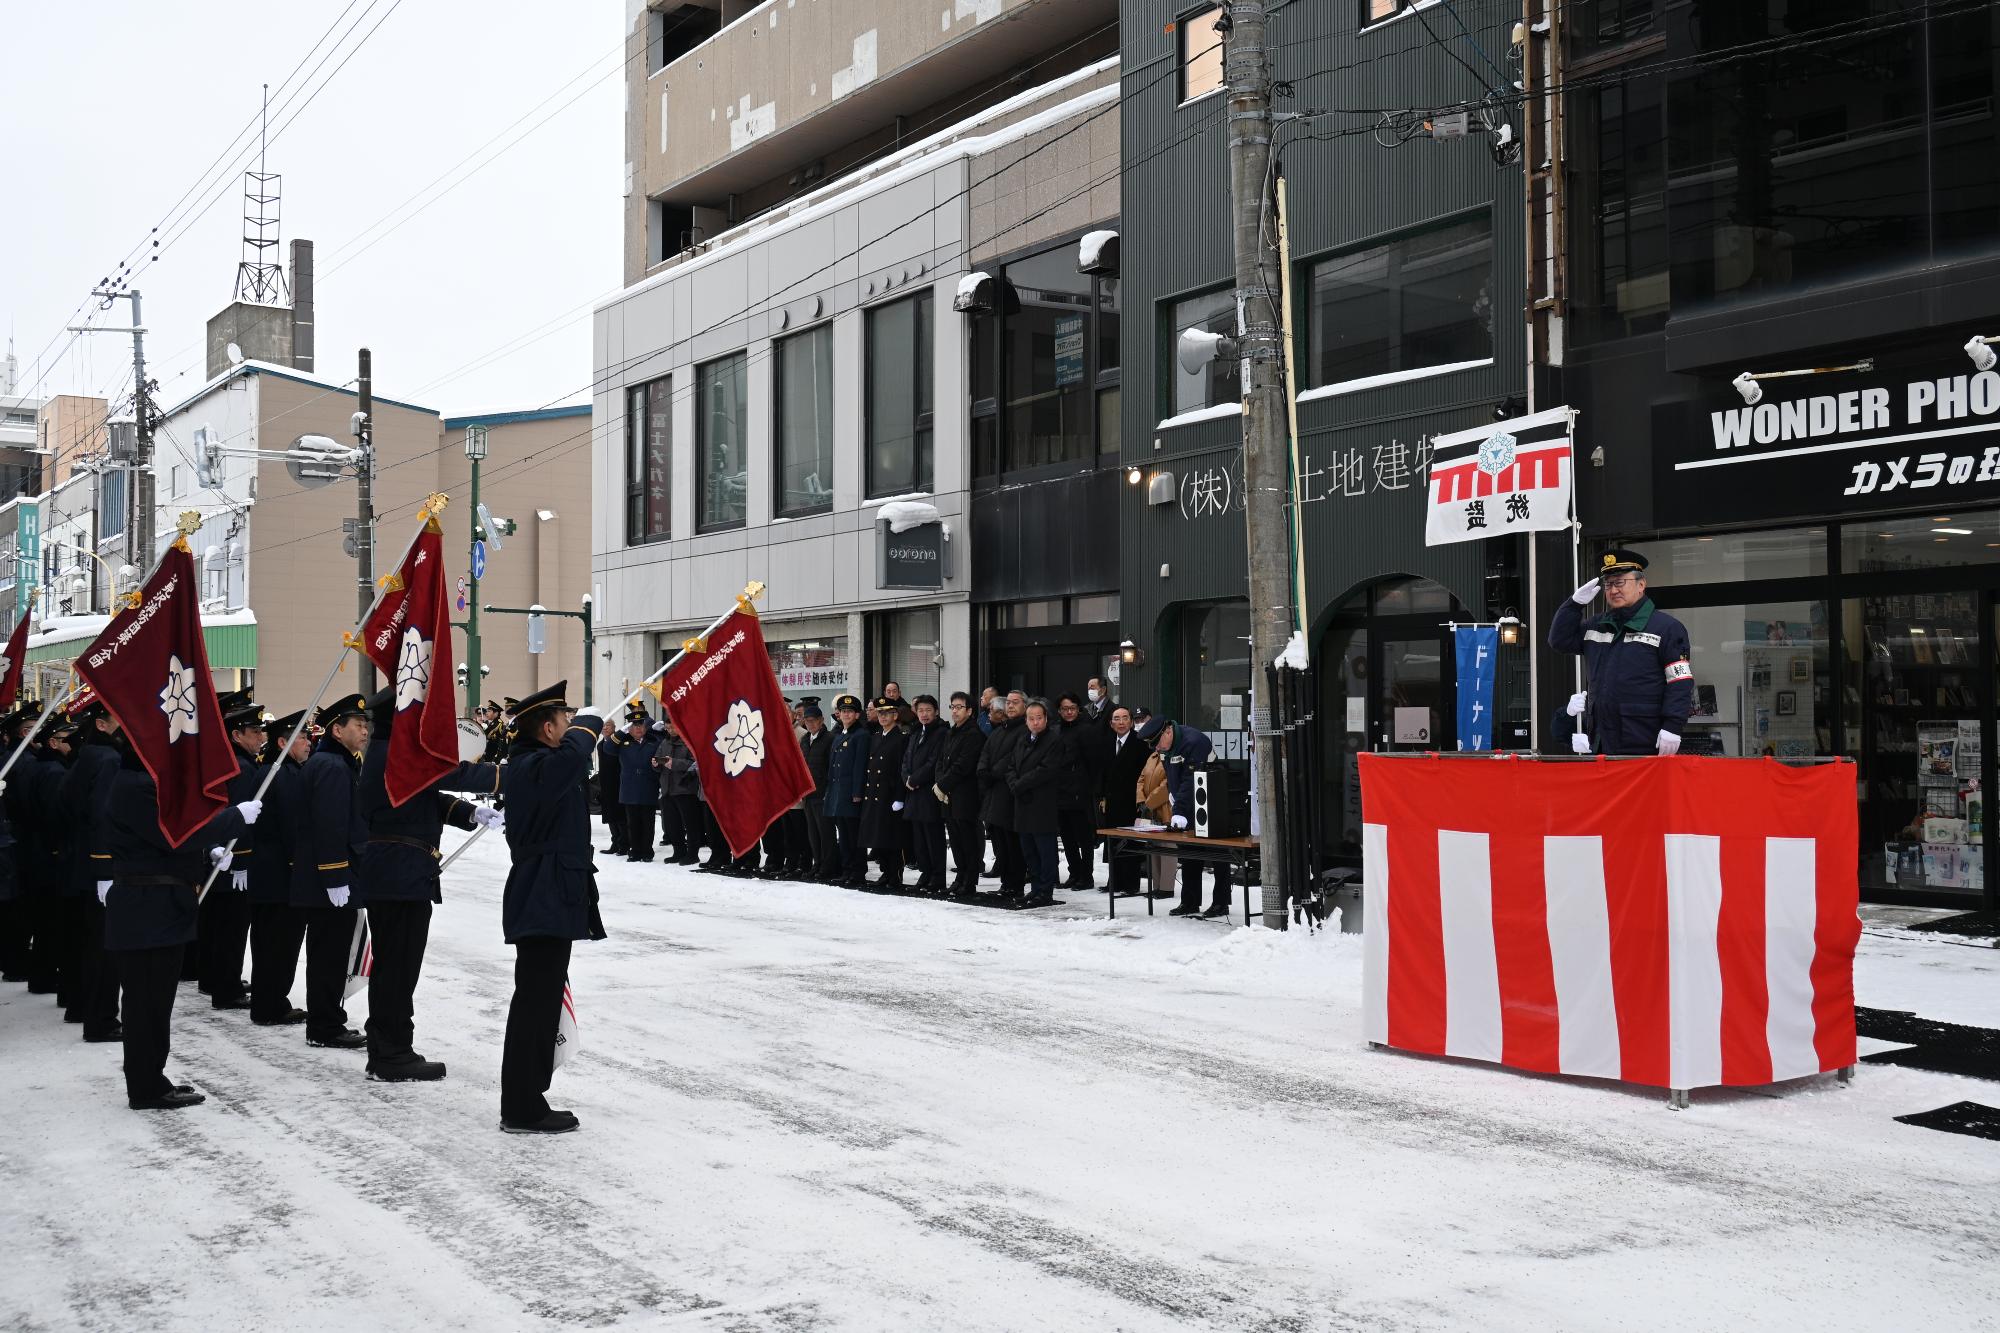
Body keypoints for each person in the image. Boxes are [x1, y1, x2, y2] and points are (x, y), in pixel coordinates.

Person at [103, 739, 261, 1110]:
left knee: (155, 1003)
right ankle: (146, 1087)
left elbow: (168, 841)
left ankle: (151, 1079)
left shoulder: (139, 783)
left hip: (158, 908)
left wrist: (208, 852)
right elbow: (175, 832)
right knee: (146, 1005)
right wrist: (234, 817)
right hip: (147, 909)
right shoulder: (135, 786)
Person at [356, 686, 502, 1081]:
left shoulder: (392, 753)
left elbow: (426, 798)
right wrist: (512, 775)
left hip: (401, 872)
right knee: (397, 967)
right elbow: (446, 773)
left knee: (398, 966)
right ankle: (390, 1054)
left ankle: (391, 1047)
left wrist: (470, 813)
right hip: (398, 874)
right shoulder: (395, 753)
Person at [498, 681, 605, 1134]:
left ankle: (529, 1096)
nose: (571, 726)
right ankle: (521, 1105)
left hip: (551, 892)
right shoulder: (533, 765)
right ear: (547, 729)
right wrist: (591, 723)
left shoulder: (538, 763)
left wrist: (581, 731)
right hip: (541, 893)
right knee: (534, 1003)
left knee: (541, 1001)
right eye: (565, 720)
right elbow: (569, 761)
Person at [286, 694, 371, 1049]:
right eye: (358, 725)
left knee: (331, 952)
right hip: (328, 880)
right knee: (328, 954)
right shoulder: (332, 767)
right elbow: (330, 825)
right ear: (337, 730)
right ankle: (324, 1026)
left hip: (326, 877)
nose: (365, 731)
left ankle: (326, 1020)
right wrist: (336, 876)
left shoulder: (335, 763)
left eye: (366, 725)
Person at [1549, 548, 1694, 756]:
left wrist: (1673, 725)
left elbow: (1679, 682)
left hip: (1643, 738)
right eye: (1608, 584)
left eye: (1620, 582)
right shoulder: (1597, 625)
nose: (1613, 590)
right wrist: (1573, 605)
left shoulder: (1666, 628)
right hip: (1601, 740)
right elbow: (1560, 641)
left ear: (1641, 585)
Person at [56, 690, 123, 1041]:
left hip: (81, 862)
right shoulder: (108, 760)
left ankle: (81, 1006)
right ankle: (102, 1020)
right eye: (118, 719)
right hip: (100, 866)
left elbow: (67, 804)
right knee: (103, 947)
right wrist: (105, 869)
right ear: (101, 724)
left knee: (87, 941)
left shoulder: (88, 756)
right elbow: (103, 817)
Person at [199, 691, 266, 1011]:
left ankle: (215, 979)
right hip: (232, 862)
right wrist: (242, 861)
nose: (261, 737)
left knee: (219, 924)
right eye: (254, 732)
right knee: (232, 928)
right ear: (236, 734)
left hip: (223, 860)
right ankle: (225, 989)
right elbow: (238, 819)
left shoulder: (235, 763)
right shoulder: (241, 768)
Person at [249, 710, 312, 1027]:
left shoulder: (274, 771)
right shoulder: (284, 775)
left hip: (267, 874)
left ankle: (267, 1001)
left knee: (267, 943)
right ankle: (271, 1005)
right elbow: (293, 828)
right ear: (283, 742)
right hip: (281, 876)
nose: (308, 742)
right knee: (279, 944)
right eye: (301, 737)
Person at [1135, 715, 1231, 918]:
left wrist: (1178, 810)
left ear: (1167, 732)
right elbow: (1172, 773)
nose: (1157, 750)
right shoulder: (1165, 746)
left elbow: (1191, 779)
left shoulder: (1194, 742)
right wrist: (1172, 794)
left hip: (1213, 801)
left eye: (1157, 744)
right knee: (1189, 853)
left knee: (1218, 855)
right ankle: (1190, 900)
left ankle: (1221, 902)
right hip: (1188, 802)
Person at [1007, 699, 1071, 908]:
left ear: (1045, 719)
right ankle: (1035, 888)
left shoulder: (1053, 740)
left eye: (1039, 718)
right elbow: (1011, 766)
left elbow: (1046, 770)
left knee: (1045, 850)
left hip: (1042, 803)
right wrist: (1014, 783)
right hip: (1022, 803)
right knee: (1029, 850)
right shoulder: (1023, 739)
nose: (1035, 722)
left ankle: (1045, 890)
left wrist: (1020, 784)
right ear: (1026, 720)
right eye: (1031, 718)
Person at [935, 692, 986, 895]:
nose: (955, 711)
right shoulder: (950, 732)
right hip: (948, 794)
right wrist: (940, 783)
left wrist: (944, 785)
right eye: (952, 707)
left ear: (970, 711)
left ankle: (970, 880)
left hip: (966, 795)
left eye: (959, 707)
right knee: (955, 839)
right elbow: (941, 761)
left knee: (968, 839)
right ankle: (960, 875)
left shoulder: (974, 734)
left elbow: (963, 765)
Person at [977, 694, 1027, 899]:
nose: (1011, 706)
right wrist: (983, 771)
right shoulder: (999, 730)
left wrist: (992, 773)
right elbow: (985, 754)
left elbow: (1012, 759)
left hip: (1009, 794)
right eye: (1008, 703)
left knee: (1012, 843)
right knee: (999, 842)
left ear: (1024, 705)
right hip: (993, 793)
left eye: (1015, 703)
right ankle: (1005, 883)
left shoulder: (1024, 730)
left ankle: (1015, 884)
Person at [859, 698, 909, 889]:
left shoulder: (901, 738)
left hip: (890, 794)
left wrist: (899, 797)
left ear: (895, 715)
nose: (883, 717)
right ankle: (885, 872)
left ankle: (895, 874)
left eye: (887, 713)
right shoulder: (877, 737)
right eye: (880, 713)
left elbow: (900, 770)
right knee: (879, 837)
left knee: (892, 838)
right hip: (874, 794)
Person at [1053, 692, 1101, 890]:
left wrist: (1091, 788)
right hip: (1060, 790)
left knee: (1084, 837)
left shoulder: (1087, 730)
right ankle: (1074, 872)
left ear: (1078, 709)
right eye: (1065, 709)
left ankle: (1086, 875)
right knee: (1066, 836)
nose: (1069, 712)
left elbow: (1093, 762)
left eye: (1072, 708)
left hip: (1080, 791)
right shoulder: (1056, 730)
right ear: (1059, 711)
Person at [900, 695, 948, 893]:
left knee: (933, 837)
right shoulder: (915, 732)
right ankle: (925, 872)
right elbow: (905, 760)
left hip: (929, 793)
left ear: (936, 711)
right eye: (920, 710)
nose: (924, 714)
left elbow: (934, 762)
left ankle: (937, 876)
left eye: (928, 710)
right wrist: (906, 778)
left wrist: (915, 779)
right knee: (918, 838)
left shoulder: (942, 733)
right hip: (913, 794)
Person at [1100, 705, 1148, 897]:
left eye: (1125, 718)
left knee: (1130, 842)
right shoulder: (1106, 743)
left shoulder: (1140, 743)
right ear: (1111, 723)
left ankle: (1130, 883)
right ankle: (1115, 880)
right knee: (1113, 841)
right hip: (1112, 800)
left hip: (1131, 800)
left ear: (1131, 721)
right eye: (1117, 719)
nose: (1121, 722)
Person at [823, 696, 870, 883]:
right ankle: (847, 869)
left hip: (851, 794)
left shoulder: (861, 735)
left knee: (854, 835)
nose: (846, 714)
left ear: (857, 714)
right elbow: (832, 767)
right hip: (838, 793)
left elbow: (860, 766)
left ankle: (857, 871)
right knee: (843, 834)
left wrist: (857, 793)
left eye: (850, 711)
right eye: (843, 711)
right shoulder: (840, 735)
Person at [617, 704, 661, 861]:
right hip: (630, 789)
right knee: (633, 823)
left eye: (641, 725)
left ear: (645, 726)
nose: (638, 728)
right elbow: (608, 748)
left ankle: (647, 851)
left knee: (648, 823)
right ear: (629, 728)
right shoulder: (623, 742)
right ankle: (634, 851)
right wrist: (620, 733)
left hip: (648, 787)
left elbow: (662, 752)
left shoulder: (653, 741)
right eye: (634, 725)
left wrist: (659, 730)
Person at [799, 704, 835, 880]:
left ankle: (828, 865)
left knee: (825, 832)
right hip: (808, 794)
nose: (810, 724)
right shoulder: (805, 740)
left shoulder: (829, 739)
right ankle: (818, 863)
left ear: (821, 721)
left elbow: (831, 769)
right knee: (812, 833)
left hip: (823, 794)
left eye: (813, 720)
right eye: (807, 721)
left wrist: (828, 790)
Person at [596, 719, 628, 856]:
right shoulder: (600, 745)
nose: (605, 728)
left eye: (608, 725)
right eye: (603, 726)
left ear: (614, 728)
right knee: (609, 815)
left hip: (618, 782)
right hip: (605, 784)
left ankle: (624, 843)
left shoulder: (620, 742)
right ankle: (615, 842)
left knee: (620, 815)